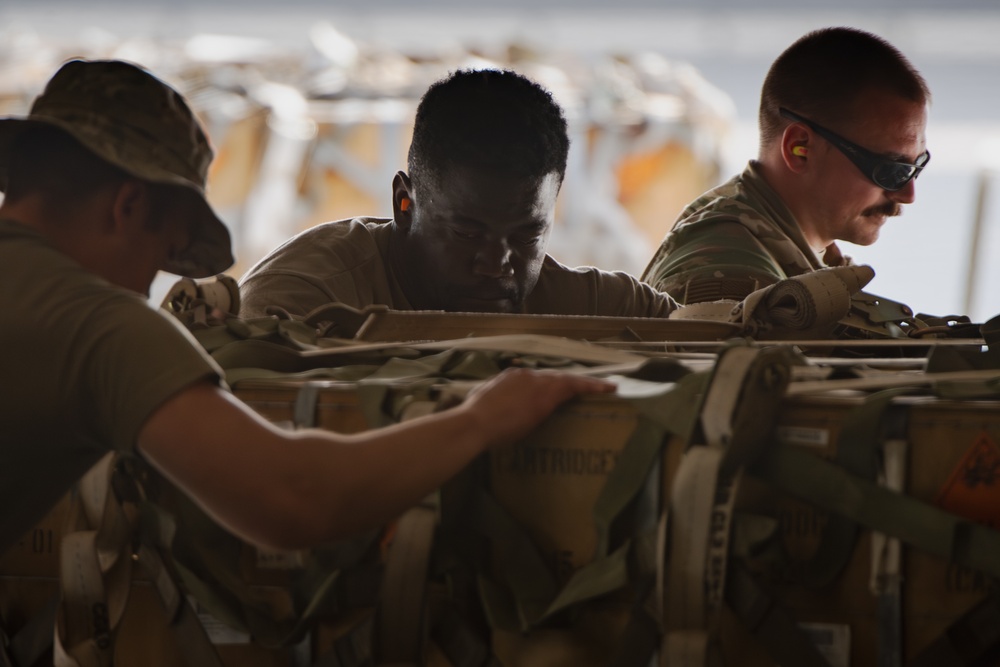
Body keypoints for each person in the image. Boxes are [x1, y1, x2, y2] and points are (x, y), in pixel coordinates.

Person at [0, 59, 615, 557]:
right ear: (128, 207)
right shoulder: (102, 326)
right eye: (165, 253)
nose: (149, 286)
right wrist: (483, 419)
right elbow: (294, 498)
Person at [238, 68, 681, 319]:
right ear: (404, 204)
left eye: (527, 237)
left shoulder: (595, 308)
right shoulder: (299, 302)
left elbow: (702, 338)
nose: (496, 265)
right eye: (468, 234)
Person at [641, 27, 930, 306]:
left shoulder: (796, 254)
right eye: (891, 170)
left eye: (916, 166)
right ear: (800, 149)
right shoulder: (734, 280)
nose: (908, 194)